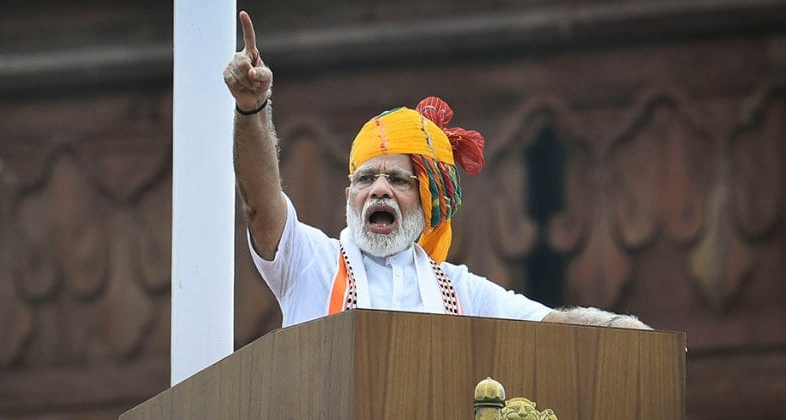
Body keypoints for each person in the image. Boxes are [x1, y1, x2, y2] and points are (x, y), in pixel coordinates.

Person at [224, 11, 648, 330]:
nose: (379, 190)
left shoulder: (458, 291)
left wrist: (618, 328)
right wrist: (252, 107)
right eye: (366, 178)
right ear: (349, 193)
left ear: (426, 202)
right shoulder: (310, 261)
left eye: (398, 179)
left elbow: (546, 324)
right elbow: (260, 204)